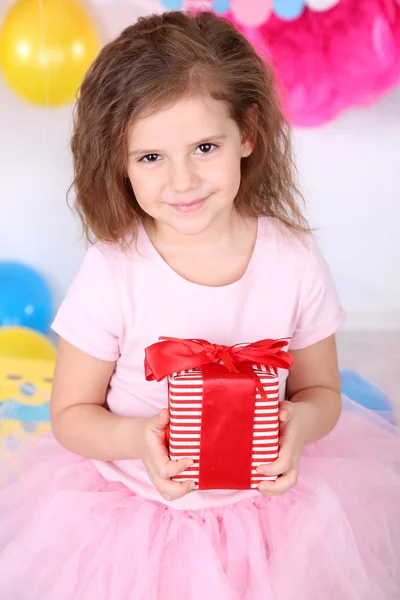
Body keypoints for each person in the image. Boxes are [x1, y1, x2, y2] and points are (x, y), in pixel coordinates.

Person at [0, 10, 399, 600]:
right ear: (119, 162)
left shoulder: (292, 259)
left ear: (248, 133)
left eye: (204, 147)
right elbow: (70, 416)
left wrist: (298, 426)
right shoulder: (114, 271)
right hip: (134, 510)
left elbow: (322, 393)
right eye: (151, 158)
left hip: (273, 513)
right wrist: (139, 440)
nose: (182, 181)